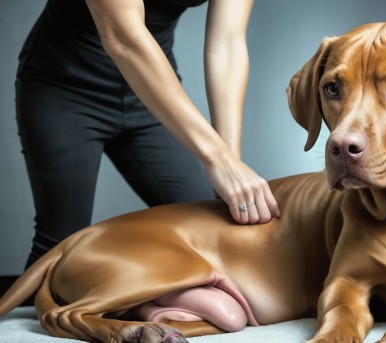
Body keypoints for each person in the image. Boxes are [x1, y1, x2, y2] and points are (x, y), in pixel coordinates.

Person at [16, 0, 280, 268]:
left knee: (214, 225)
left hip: (149, 98)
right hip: (66, 89)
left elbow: (227, 45)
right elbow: (122, 38)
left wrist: (231, 160)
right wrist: (218, 159)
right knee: (59, 246)